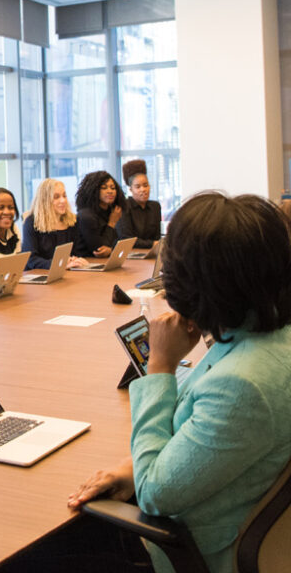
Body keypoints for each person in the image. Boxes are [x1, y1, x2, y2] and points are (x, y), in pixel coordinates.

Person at [59, 193, 291, 573]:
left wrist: (161, 366)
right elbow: (211, 436)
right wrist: (135, 464)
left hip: (206, 554)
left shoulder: (241, 384)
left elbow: (153, 495)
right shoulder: (266, 339)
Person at [21, 178, 88, 271]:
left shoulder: (72, 221)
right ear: (44, 200)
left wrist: (75, 260)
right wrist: (59, 264)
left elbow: (76, 252)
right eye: (56, 197)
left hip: (64, 273)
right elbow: (31, 259)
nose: (63, 201)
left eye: (64, 196)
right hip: (39, 275)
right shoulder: (32, 222)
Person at [74, 170, 127, 258]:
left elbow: (119, 242)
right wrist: (112, 223)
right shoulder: (86, 215)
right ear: (94, 191)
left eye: (113, 188)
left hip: (103, 263)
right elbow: (99, 250)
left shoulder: (112, 211)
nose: (110, 191)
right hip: (87, 263)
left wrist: (111, 250)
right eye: (104, 188)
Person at [116, 159, 161, 249]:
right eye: (137, 187)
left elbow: (157, 236)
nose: (143, 190)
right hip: (130, 253)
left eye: (145, 185)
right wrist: (152, 244)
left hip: (151, 251)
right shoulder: (124, 206)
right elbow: (126, 239)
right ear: (131, 189)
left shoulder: (155, 206)